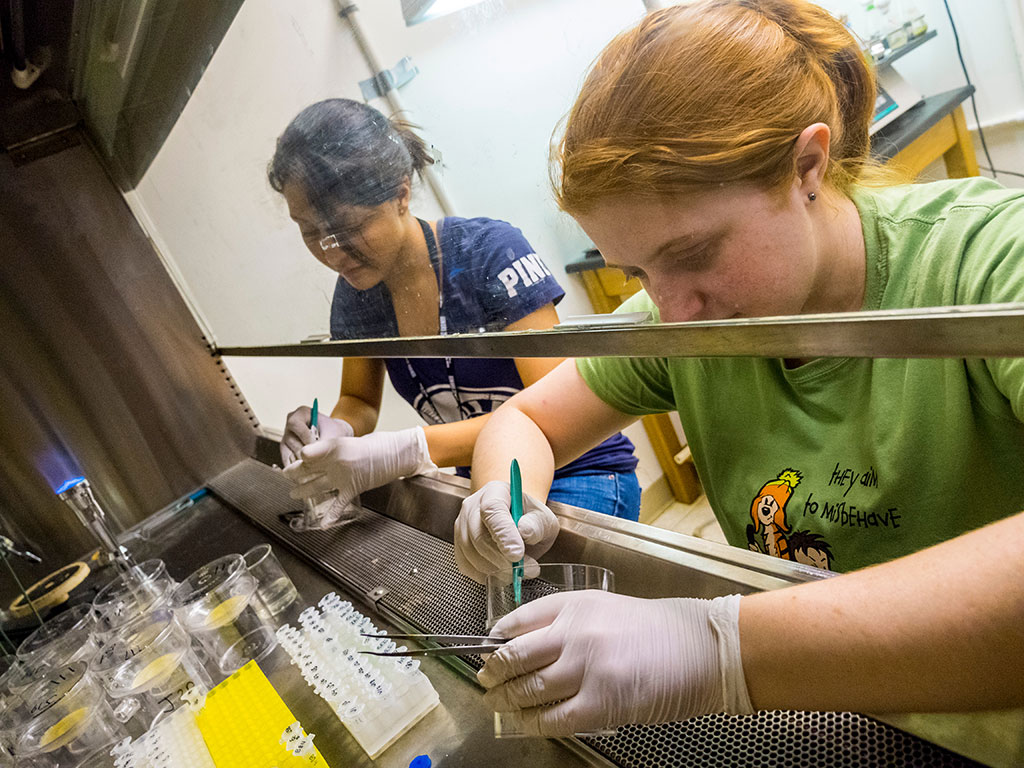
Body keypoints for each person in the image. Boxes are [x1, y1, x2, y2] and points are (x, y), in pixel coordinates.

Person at [453, 0, 1024, 738]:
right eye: (638, 270)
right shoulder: (681, 316)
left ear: (807, 165)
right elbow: (526, 418)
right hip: (824, 717)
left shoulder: (986, 260)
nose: (674, 310)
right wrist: (502, 493)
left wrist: (718, 648)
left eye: (693, 254)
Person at [268, 98, 640, 527]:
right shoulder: (357, 291)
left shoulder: (489, 253)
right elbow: (359, 400)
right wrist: (336, 430)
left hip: (576, 469)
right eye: (311, 232)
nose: (333, 253)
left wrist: (401, 451)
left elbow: (557, 414)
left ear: (401, 194)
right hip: (485, 479)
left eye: (349, 228)